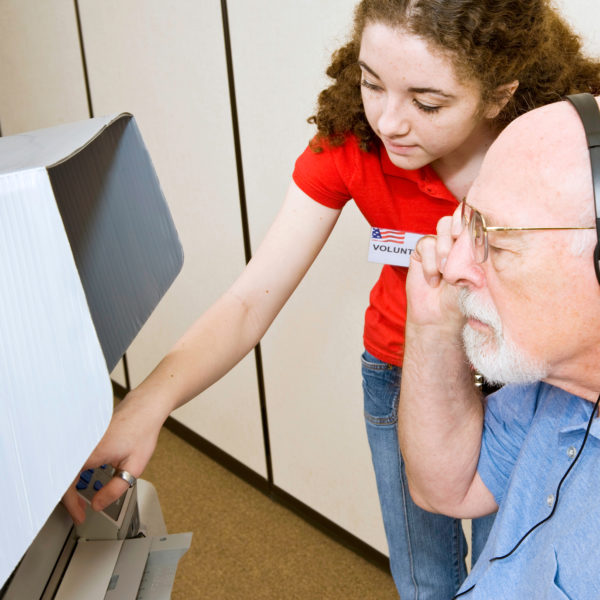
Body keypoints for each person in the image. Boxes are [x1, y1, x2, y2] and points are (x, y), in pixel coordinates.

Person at [63, 1, 600, 597]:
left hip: (527, 381)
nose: (389, 122)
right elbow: (249, 301)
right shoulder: (352, 145)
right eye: (371, 83)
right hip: (406, 369)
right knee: (425, 578)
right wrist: (147, 403)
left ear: (500, 96)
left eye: (427, 104)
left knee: (516, 563)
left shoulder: (553, 154)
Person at [398, 94, 600, 598]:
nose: (456, 261)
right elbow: (446, 487)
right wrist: (431, 321)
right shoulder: (555, 377)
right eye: (469, 222)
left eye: (497, 240)